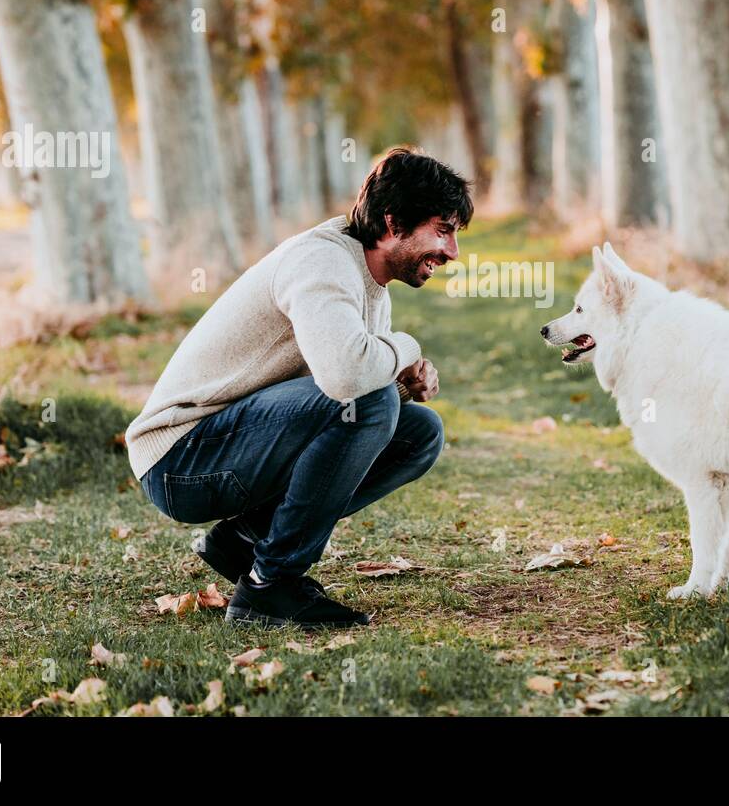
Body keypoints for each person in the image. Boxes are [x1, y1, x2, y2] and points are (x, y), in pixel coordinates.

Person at [125, 147, 471, 628]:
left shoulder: (371, 281)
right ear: (393, 223)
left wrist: (402, 378)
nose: (451, 252)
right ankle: (270, 586)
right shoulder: (321, 260)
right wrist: (405, 347)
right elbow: (346, 377)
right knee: (366, 398)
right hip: (180, 459)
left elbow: (345, 381)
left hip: (229, 445)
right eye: (443, 230)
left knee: (420, 432)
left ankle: (246, 539)